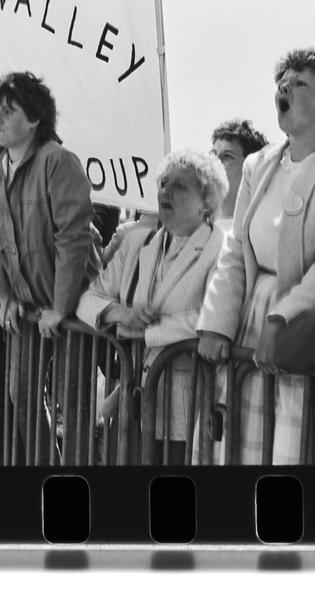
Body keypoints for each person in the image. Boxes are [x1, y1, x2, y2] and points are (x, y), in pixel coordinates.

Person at [197, 47, 315, 464]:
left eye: (300, 83)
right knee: (228, 450)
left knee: (285, 456)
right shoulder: (258, 163)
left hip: (304, 328)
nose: (285, 89)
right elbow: (234, 251)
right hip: (247, 322)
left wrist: (279, 321)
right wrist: (216, 325)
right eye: (282, 83)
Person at [0, 71, 101, 463]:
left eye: (8, 111)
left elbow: (72, 238)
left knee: (73, 405)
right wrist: (5, 295)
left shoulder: (58, 161)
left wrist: (61, 307)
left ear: (35, 119)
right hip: (26, 308)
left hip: (73, 309)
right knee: (22, 396)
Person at [76, 149, 228, 464]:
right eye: (162, 183)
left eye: (179, 186)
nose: (165, 192)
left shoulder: (221, 249)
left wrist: (148, 333)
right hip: (133, 400)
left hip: (185, 411)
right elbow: (87, 299)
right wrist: (118, 313)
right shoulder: (138, 242)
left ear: (206, 202)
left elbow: (213, 317)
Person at [210, 118, 268, 234]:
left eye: (227, 156)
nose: (215, 162)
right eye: (213, 155)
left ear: (251, 170)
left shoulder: (261, 233)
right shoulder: (189, 230)